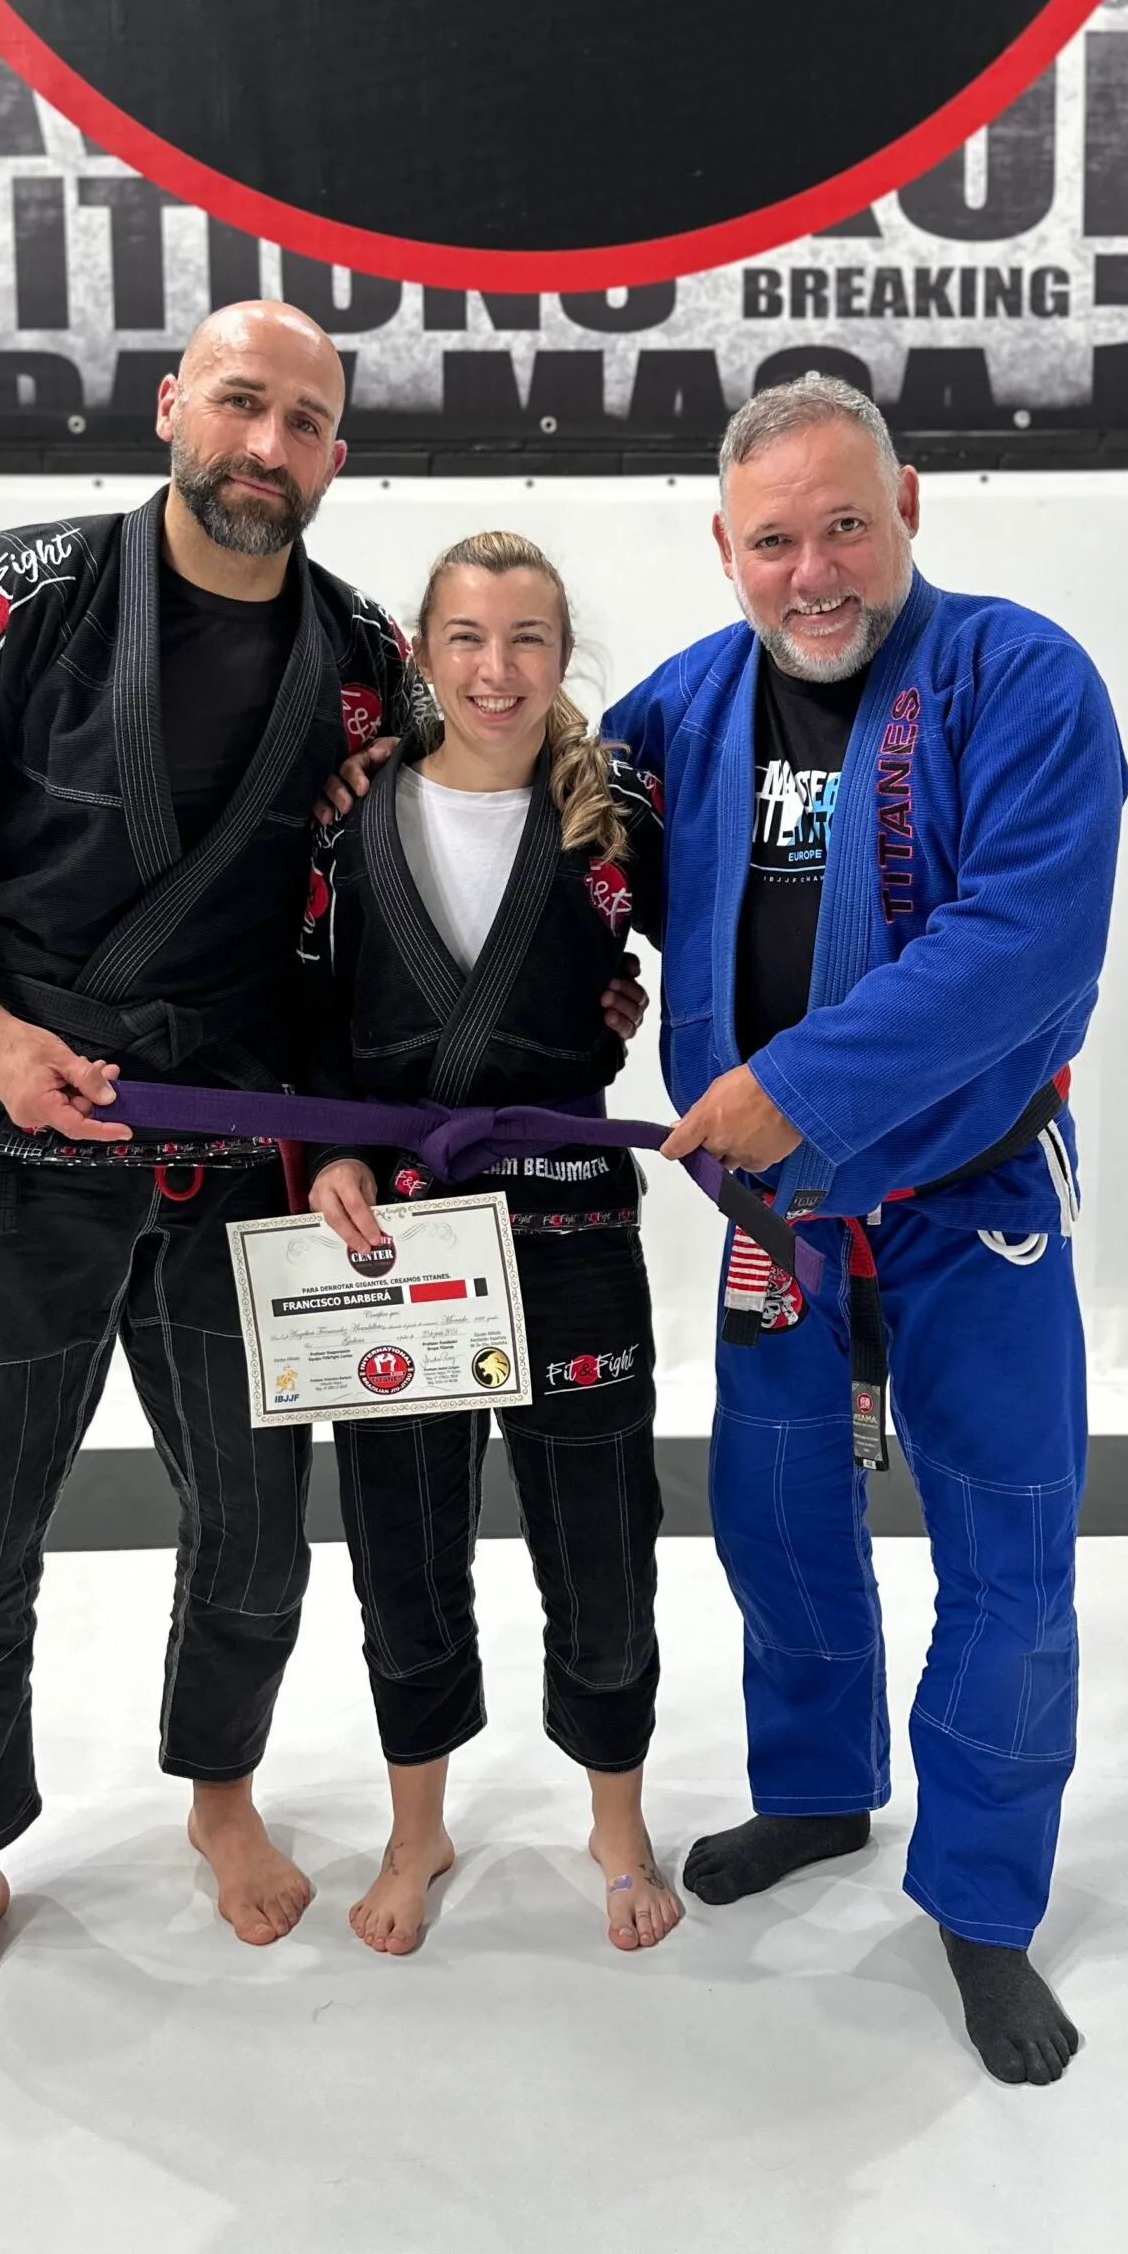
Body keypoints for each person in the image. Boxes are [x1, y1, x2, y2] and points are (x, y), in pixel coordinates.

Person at [0, 302, 433, 2046]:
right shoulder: (25, 594)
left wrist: (339, 1130)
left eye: (304, 423)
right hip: (23, 1130)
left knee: (256, 1523)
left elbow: (368, 923)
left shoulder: (365, 658)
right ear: (172, 405)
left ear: (335, 456)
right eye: (240, 402)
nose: (266, 445)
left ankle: (221, 1790)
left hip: (234, 1148)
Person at [608, 375, 1128, 2086]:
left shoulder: (1020, 680)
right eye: (776, 540)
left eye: (846, 524)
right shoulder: (682, 709)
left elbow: (1023, 944)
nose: (814, 571)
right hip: (782, 1216)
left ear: (909, 503)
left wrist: (794, 1085)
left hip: (976, 1198)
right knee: (775, 1517)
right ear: (726, 548)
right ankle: (822, 1787)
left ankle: (981, 1899)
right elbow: (555, 853)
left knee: (1007, 1548)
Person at [302, 533, 682, 1958]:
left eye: (528, 640)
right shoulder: (350, 818)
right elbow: (304, 1014)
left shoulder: (612, 822)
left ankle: (617, 1819)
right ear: (421, 651)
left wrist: (629, 1013)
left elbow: (704, 954)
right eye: (466, 638)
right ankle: (418, 1827)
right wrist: (331, 1152)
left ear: (563, 657)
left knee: (603, 1530)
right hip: (399, 1228)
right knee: (401, 1533)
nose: (496, 669)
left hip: (572, 1216)